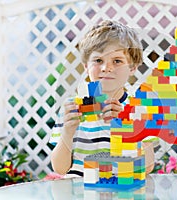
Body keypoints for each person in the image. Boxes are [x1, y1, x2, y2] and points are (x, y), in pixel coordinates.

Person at [50, 20, 155, 177]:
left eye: (117, 61)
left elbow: (147, 167)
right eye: (98, 60)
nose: (106, 68)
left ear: (132, 67)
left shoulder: (139, 109)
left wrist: (129, 129)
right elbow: (60, 168)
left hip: (122, 191)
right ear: (86, 66)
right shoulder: (71, 107)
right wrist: (67, 132)